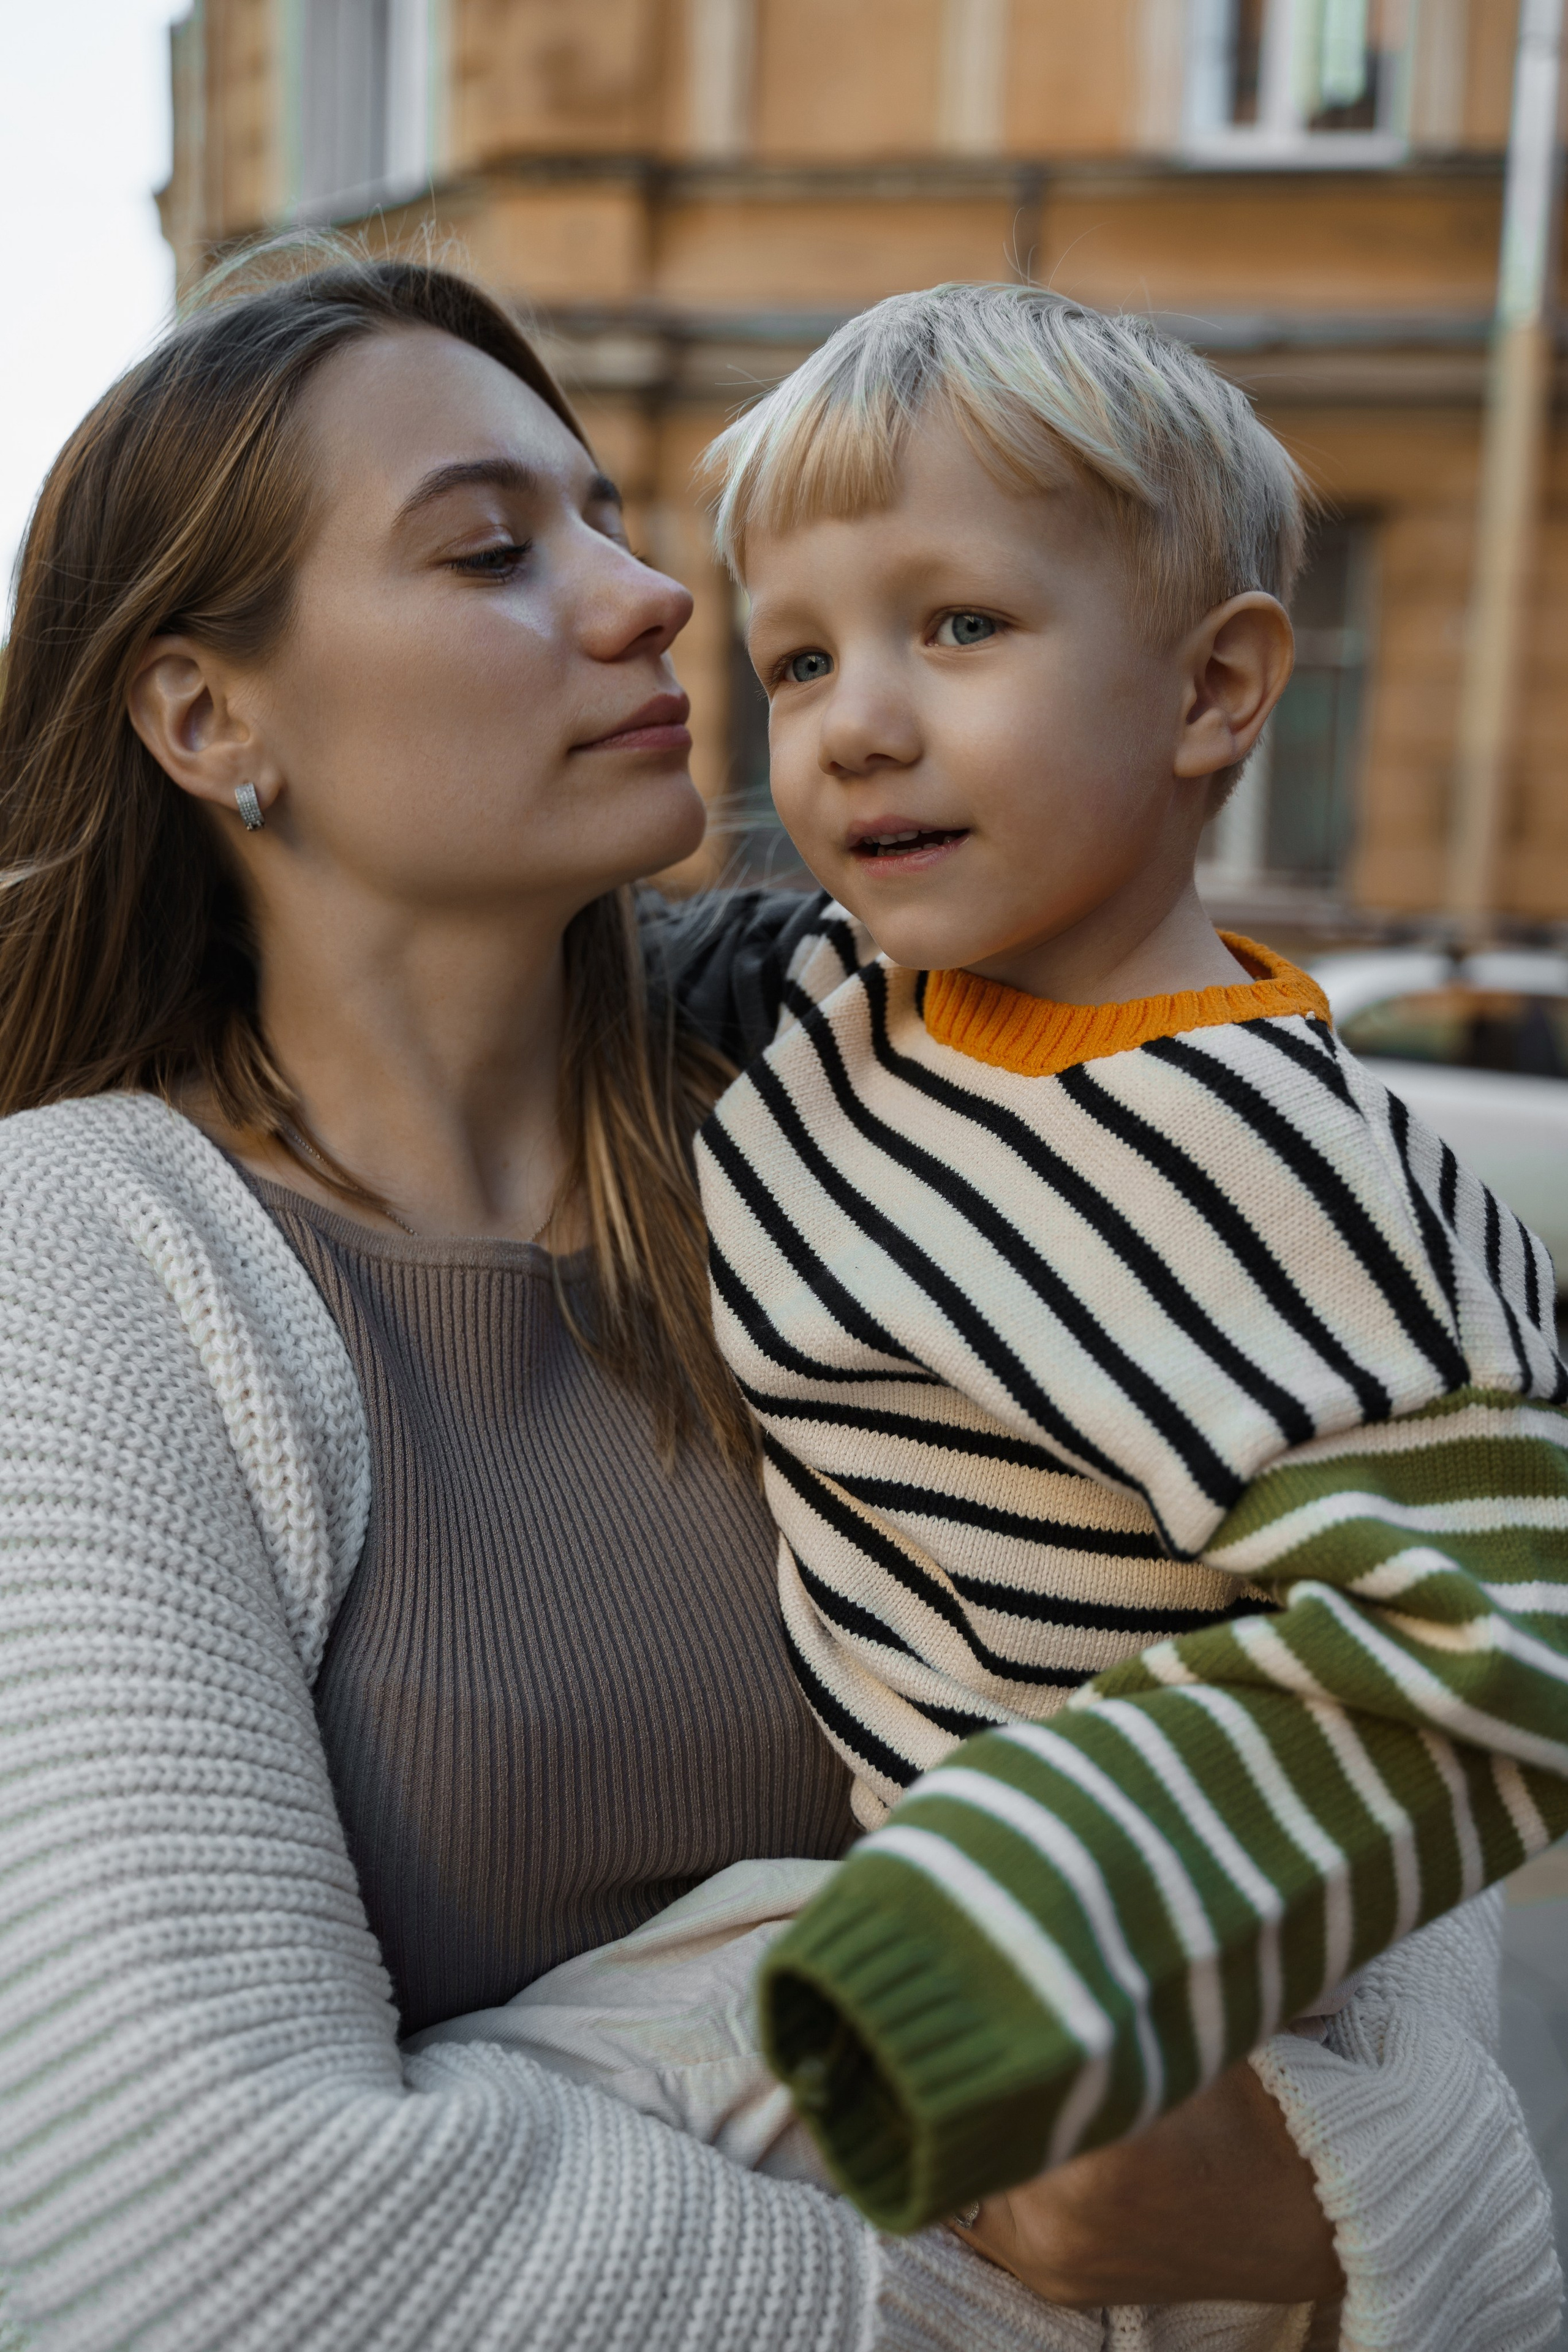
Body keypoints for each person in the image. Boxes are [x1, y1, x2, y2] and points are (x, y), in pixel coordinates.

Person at [0, 248, 1551, 2352]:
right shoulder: (87, 1263)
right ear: (208, 718)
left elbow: (1391, 1792)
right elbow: (193, 2249)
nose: (655, 601)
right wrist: (1030, 2304)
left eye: (613, 523)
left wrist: (1306, 2212)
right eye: (492, 550)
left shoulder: (887, 1077)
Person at [686, 282, 1568, 2242]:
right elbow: (573, 965)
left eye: (960, 626)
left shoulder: (1292, 1171)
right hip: (860, 1929)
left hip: (1089, 2031)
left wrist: (1016, 1938)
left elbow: (1507, 1635)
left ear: (1212, 692)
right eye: (799, 658)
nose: (858, 724)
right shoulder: (838, 1001)